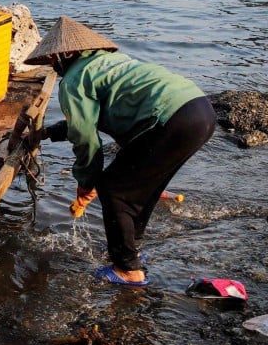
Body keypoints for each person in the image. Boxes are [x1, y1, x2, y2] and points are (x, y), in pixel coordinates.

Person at [24, 15, 216, 286]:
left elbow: (84, 136)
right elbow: (85, 121)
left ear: (67, 53)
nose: (54, 67)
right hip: (199, 110)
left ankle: (127, 269)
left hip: (170, 120)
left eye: (54, 60)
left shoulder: (74, 78)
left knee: (114, 189)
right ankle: (130, 253)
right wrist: (46, 133)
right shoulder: (108, 63)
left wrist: (87, 182)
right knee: (142, 190)